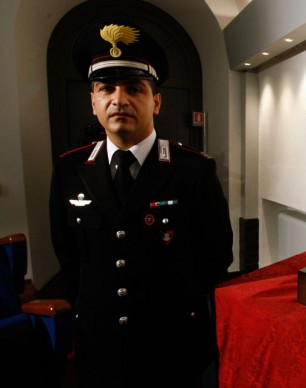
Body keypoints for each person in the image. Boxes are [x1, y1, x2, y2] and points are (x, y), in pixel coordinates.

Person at [49, 20, 233, 387]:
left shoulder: (192, 170)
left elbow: (215, 256)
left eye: (134, 88)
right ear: (93, 102)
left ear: (156, 101)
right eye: (106, 88)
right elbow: (68, 257)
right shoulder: (70, 168)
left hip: (171, 346)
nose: (119, 99)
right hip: (99, 345)